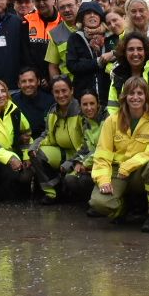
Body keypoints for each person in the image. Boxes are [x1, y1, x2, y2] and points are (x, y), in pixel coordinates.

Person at [88, 76, 149, 230]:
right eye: (131, 93)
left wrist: (128, 166)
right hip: (117, 172)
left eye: (140, 93)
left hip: (140, 172)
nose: (135, 97)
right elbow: (102, 155)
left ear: (146, 96)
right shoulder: (112, 121)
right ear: (124, 96)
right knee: (99, 203)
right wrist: (103, 180)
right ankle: (121, 209)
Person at [34, 75, 94, 205]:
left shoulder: (81, 110)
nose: (61, 95)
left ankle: (86, 199)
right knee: (36, 153)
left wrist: (71, 162)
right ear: (52, 93)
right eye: (56, 91)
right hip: (63, 152)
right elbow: (47, 134)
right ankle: (53, 192)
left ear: (71, 90)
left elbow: (88, 143)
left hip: (82, 156)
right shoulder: (52, 110)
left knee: (71, 179)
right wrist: (35, 145)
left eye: (64, 90)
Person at [11, 65, 55, 136]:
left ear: (38, 82)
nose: (27, 84)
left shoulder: (50, 101)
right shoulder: (13, 102)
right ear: (19, 84)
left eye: (31, 80)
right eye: (23, 81)